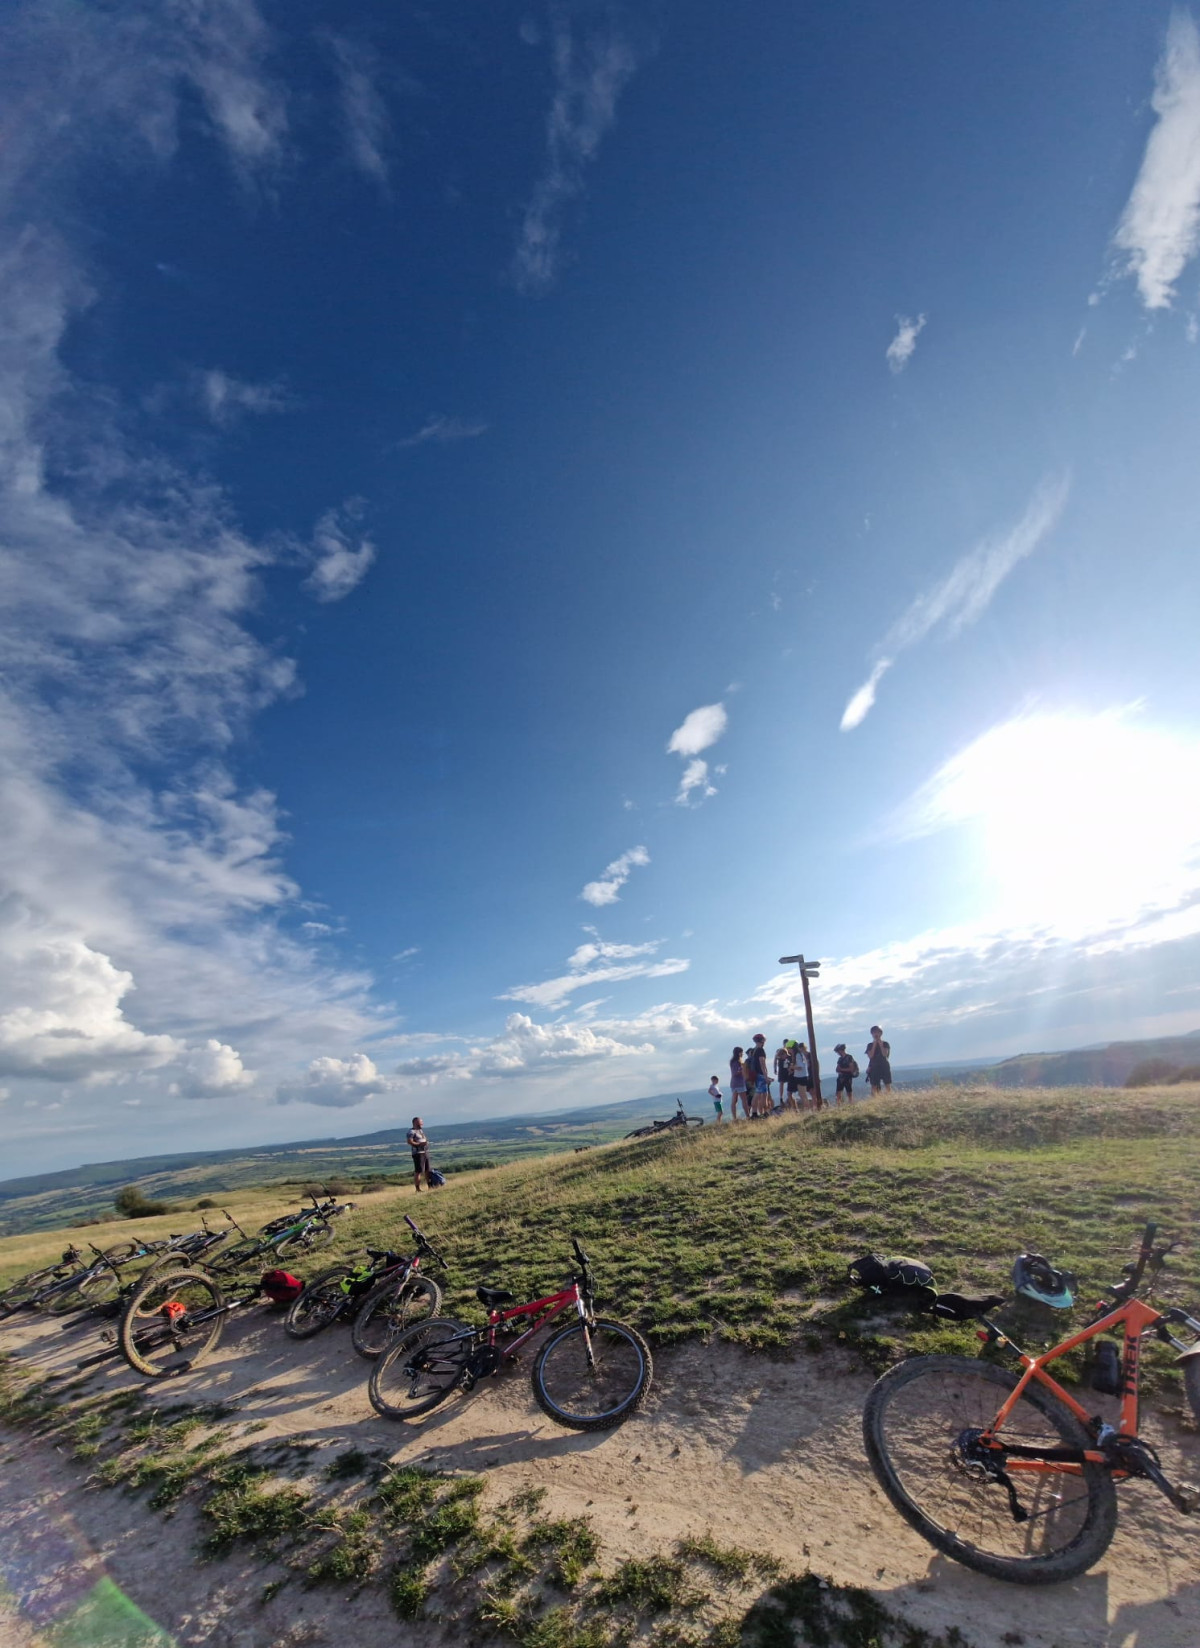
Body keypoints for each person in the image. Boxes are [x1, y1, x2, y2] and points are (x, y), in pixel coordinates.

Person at [406, 1116, 432, 1192]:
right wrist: (419, 1144)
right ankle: (418, 1189)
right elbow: (409, 1142)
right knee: (418, 1171)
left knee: (427, 1170)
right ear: (415, 1123)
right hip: (418, 1153)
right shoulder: (411, 1132)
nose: (422, 1124)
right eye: (420, 1123)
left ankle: (430, 1186)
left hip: (425, 1152)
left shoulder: (420, 1130)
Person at [747, 1034, 770, 1117]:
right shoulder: (760, 1050)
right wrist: (766, 1076)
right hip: (761, 1075)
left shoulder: (753, 1051)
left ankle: (762, 1112)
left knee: (762, 1094)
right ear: (762, 1040)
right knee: (759, 1094)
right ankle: (756, 1113)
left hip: (755, 1075)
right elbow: (762, 1063)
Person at [865, 1026, 892, 1096]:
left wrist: (880, 1044)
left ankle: (889, 1097)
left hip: (884, 1065)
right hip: (874, 1066)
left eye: (877, 1032)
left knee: (887, 1083)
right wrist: (874, 1044)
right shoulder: (869, 1045)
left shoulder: (885, 1043)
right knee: (874, 1085)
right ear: (872, 1034)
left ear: (880, 1033)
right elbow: (870, 1056)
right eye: (874, 1032)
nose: (875, 1034)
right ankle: (875, 1099)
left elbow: (885, 1054)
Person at [729, 1046, 748, 1119]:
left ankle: (735, 1118)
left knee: (734, 1101)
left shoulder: (733, 1061)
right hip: (739, 1083)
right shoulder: (736, 1062)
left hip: (734, 1083)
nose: (742, 1054)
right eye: (741, 1052)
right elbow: (735, 1073)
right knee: (744, 1100)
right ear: (738, 1053)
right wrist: (742, 1070)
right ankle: (748, 1116)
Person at [773, 1041, 792, 1111]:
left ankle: (789, 1095)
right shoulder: (780, 1052)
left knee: (789, 1083)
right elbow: (775, 1060)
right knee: (781, 1083)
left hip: (787, 1071)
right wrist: (775, 1068)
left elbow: (791, 1062)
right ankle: (781, 1097)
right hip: (782, 1070)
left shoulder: (789, 1053)